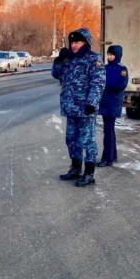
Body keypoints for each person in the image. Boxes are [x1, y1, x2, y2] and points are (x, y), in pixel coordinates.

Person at [52, 28, 106, 187]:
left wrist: (92, 103)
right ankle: (75, 168)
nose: (74, 45)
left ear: (86, 42)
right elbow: (56, 75)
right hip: (71, 108)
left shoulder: (93, 59)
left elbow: (98, 83)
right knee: (71, 140)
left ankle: (89, 173)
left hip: (85, 109)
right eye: (72, 42)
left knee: (87, 140)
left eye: (78, 42)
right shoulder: (70, 58)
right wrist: (59, 60)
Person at [97, 45, 128, 167]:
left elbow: (121, 85)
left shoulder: (122, 69)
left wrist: (106, 87)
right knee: (109, 130)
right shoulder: (104, 68)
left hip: (113, 102)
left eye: (112, 54)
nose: (109, 57)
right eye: (108, 54)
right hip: (105, 102)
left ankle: (107, 158)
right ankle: (112, 155)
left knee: (108, 131)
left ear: (117, 55)